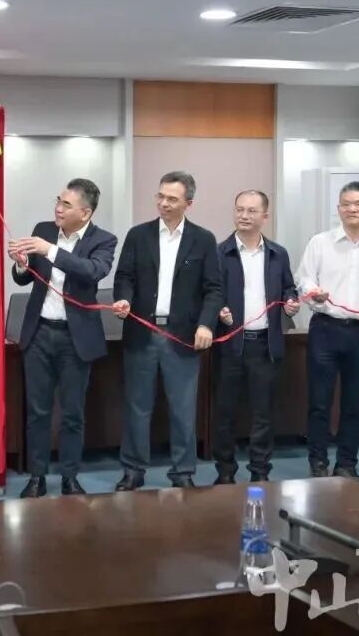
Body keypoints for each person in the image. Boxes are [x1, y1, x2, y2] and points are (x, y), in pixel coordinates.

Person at [112, 171, 223, 490]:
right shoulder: (138, 235)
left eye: (172, 199)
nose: (163, 203)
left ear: (189, 203)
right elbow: (125, 276)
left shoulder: (203, 239)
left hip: (182, 337)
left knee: (183, 409)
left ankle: (183, 472)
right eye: (160, 196)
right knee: (137, 407)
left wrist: (206, 323)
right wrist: (124, 299)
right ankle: (133, 470)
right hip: (141, 334)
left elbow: (213, 288)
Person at [7, 179, 117, 497]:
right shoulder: (43, 229)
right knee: (37, 412)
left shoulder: (103, 240)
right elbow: (26, 277)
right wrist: (22, 265)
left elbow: (92, 271)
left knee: (72, 413)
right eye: (58, 201)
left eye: (66, 205)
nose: (57, 208)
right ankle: (37, 477)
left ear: (85, 213)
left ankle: (70, 476)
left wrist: (49, 250)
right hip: (39, 333)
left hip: (75, 339)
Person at [296, 181, 359, 481]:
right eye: (347, 204)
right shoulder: (320, 243)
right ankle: (318, 462)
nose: (352, 209)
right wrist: (314, 292)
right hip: (325, 329)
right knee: (319, 402)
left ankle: (346, 465)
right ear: (338, 209)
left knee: (354, 403)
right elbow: (303, 279)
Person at [213, 191, 299, 485]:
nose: (244, 216)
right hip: (230, 344)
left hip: (265, 345)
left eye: (251, 211)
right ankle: (225, 473)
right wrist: (218, 311)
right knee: (224, 413)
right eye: (239, 209)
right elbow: (209, 292)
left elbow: (289, 288)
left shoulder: (278, 253)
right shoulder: (219, 252)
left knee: (263, 414)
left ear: (265, 216)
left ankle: (260, 472)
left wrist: (290, 301)